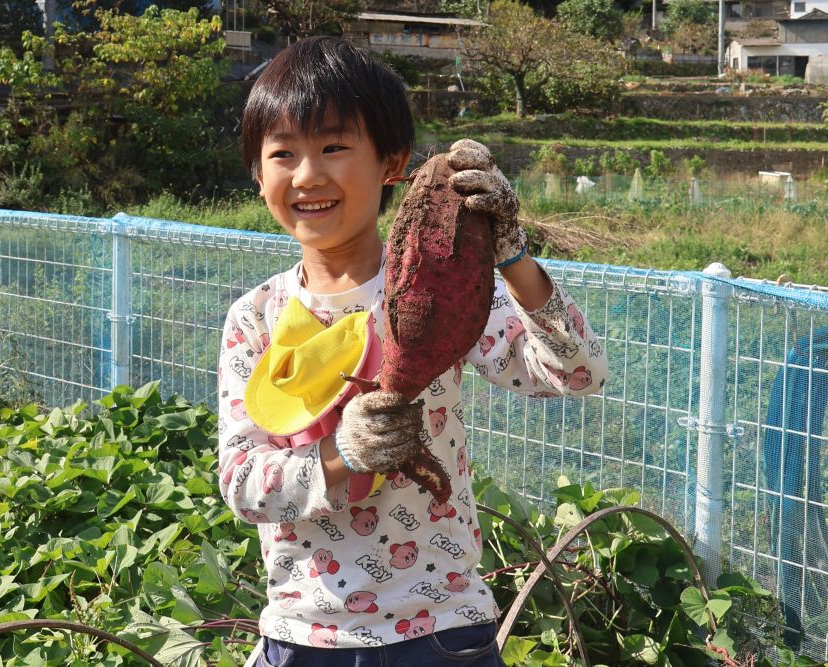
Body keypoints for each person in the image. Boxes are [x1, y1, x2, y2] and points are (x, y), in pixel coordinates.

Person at [217, 36, 607, 667]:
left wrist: (510, 255)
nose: (308, 175)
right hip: (302, 636)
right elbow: (241, 483)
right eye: (282, 153)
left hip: (441, 631)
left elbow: (577, 372)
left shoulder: (437, 283)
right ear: (258, 174)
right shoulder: (256, 318)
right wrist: (344, 455)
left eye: (334, 147)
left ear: (391, 162)